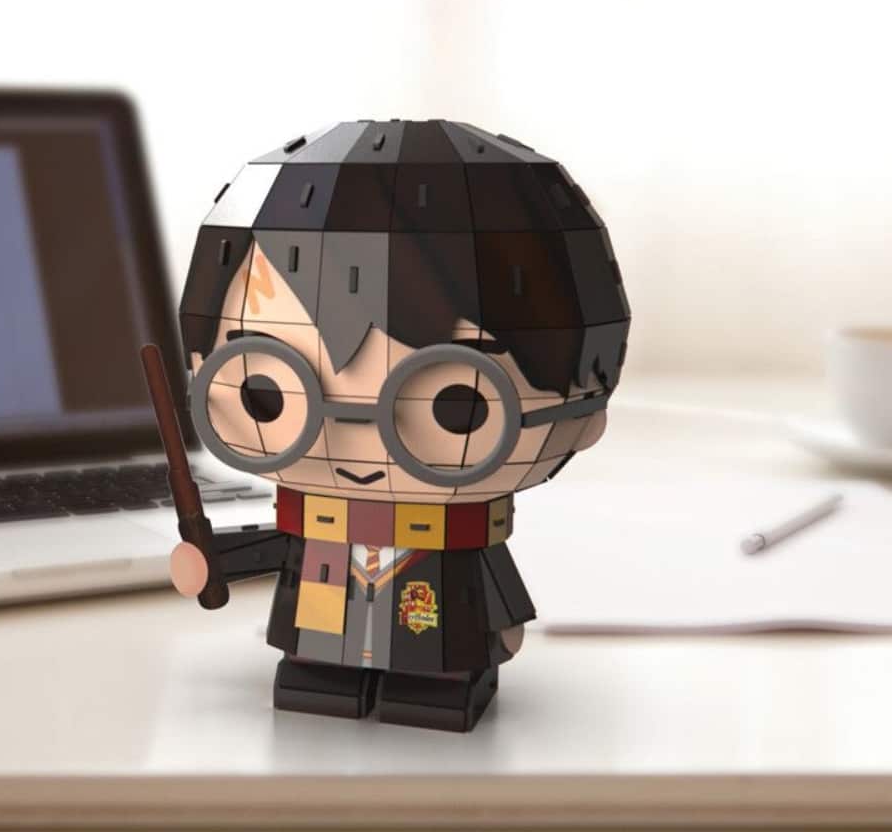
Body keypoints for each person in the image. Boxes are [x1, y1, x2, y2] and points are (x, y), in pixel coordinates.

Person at [169, 120, 629, 731]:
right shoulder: (310, 512)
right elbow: (278, 547)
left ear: (584, 411)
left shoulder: (460, 526)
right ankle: (323, 673)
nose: (358, 432)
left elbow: (489, 580)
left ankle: (437, 683)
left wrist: (499, 625)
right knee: (316, 672)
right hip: (318, 625)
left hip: (439, 636)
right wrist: (215, 558)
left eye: (457, 404)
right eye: (266, 394)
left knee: (433, 673)